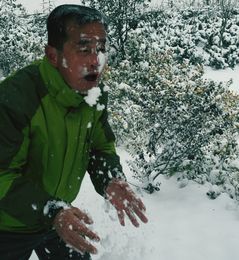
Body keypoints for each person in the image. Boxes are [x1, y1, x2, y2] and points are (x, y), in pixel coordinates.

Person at [0, 4, 148, 260]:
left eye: (101, 48)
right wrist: (52, 211)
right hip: (8, 224)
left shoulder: (94, 93)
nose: (96, 60)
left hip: (57, 215)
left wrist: (111, 179)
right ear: (53, 55)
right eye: (84, 49)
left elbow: (100, 147)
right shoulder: (16, 98)